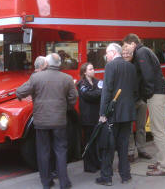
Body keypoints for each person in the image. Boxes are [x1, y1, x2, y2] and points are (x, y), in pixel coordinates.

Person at [16, 53, 78, 189]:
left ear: (47, 64)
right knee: (61, 151)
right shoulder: (67, 78)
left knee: (43, 152)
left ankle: (46, 182)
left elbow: (20, 92)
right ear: (59, 64)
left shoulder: (36, 77)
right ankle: (64, 182)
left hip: (41, 122)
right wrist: (66, 107)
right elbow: (73, 97)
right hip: (60, 121)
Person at [122, 34, 165, 177]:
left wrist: (147, 94)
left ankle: (164, 166)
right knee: (158, 129)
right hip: (159, 92)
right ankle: (161, 161)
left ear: (133, 43)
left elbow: (147, 75)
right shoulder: (144, 51)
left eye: (127, 45)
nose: (126, 49)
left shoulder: (141, 52)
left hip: (156, 94)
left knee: (158, 131)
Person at [96, 43, 137, 186]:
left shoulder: (110, 66)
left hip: (112, 113)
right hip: (127, 113)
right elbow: (135, 90)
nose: (106, 56)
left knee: (109, 146)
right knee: (124, 145)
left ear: (113, 52)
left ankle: (106, 178)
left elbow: (106, 91)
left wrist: (103, 113)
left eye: (107, 53)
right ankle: (126, 175)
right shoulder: (131, 67)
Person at [122, 47, 152, 163]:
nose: (126, 55)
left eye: (128, 53)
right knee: (128, 129)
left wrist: (144, 98)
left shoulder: (138, 65)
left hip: (140, 100)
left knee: (141, 127)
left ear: (132, 54)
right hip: (128, 102)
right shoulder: (121, 67)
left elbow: (145, 80)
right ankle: (130, 152)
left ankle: (141, 149)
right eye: (123, 53)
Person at [77, 62, 102, 173]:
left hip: (97, 116)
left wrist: (97, 92)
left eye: (93, 68)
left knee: (97, 141)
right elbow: (89, 96)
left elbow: (101, 92)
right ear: (84, 72)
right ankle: (89, 166)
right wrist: (99, 92)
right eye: (90, 69)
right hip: (87, 118)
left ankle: (97, 163)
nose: (93, 70)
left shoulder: (97, 81)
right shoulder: (81, 84)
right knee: (89, 142)